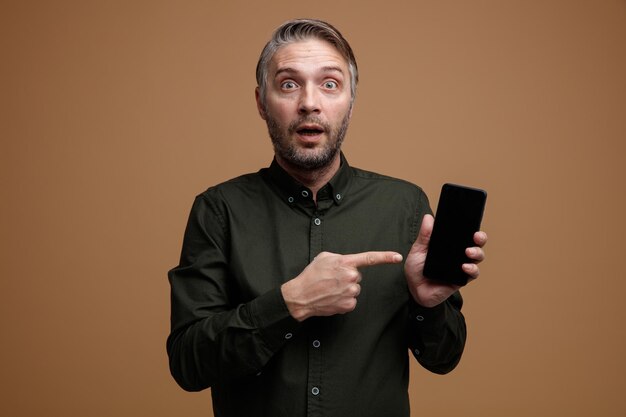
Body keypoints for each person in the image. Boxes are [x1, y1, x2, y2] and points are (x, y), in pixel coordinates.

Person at [167, 18, 487, 417]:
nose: (309, 102)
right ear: (260, 102)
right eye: (288, 84)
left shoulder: (406, 207)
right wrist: (291, 302)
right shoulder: (218, 210)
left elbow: (444, 358)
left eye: (330, 84)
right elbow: (187, 363)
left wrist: (427, 305)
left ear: (351, 101)